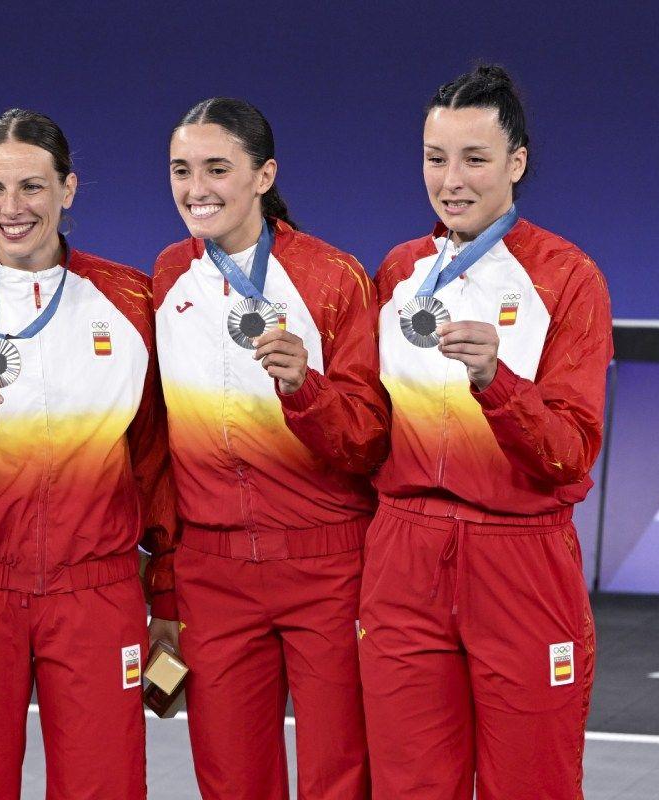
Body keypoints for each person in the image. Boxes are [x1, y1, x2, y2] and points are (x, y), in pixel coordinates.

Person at [0, 108, 175, 800]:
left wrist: (167, 589)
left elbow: (156, 464)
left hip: (96, 592)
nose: (11, 208)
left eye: (32, 187)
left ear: (69, 189)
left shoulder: (132, 301)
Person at [359, 64, 614, 799]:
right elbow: (369, 430)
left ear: (517, 163)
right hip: (404, 552)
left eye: (474, 158)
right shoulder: (399, 271)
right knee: (409, 787)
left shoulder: (567, 278)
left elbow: (569, 455)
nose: (451, 179)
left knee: (531, 784)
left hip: (520, 558)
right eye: (436, 158)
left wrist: (496, 384)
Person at [152, 97, 388, 800]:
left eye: (218, 168)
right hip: (212, 572)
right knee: (230, 780)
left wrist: (305, 391)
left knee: (338, 776)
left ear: (264, 175)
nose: (197, 189)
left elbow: (369, 440)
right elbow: (157, 444)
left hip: (327, 565)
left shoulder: (331, 278)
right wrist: (165, 576)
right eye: (182, 170)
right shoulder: (166, 277)